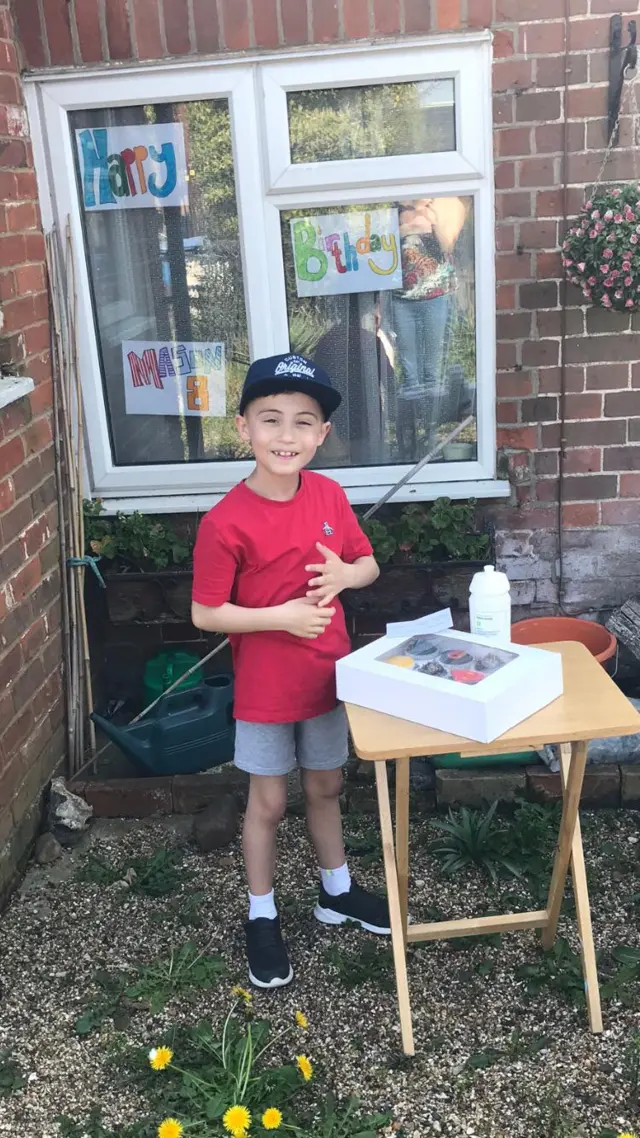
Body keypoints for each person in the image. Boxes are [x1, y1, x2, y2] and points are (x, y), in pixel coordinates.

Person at [191, 353, 389, 989]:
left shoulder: (329, 495)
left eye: (303, 422)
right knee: (269, 801)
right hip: (264, 689)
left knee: (327, 787)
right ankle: (262, 913)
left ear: (322, 435)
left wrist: (346, 575)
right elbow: (205, 613)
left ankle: (335, 892)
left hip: (326, 677)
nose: (286, 435)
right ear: (244, 427)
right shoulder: (225, 522)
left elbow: (367, 564)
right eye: (270, 419)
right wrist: (278, 618)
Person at [393, 196, 466, 406]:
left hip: (436, 297)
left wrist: (431, 218)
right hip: (402, 300)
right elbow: (384, 246)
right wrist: (407, 227)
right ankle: (414, 417)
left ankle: (432, 417)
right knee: (409, 370)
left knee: (432, 368)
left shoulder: (439, 207)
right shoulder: (397, 209)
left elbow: (447, 244)